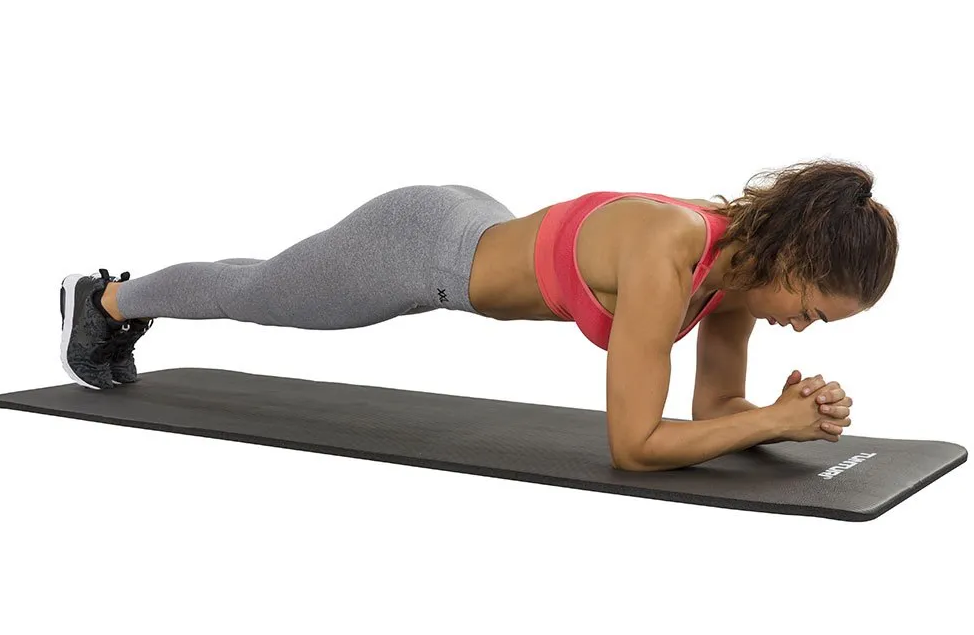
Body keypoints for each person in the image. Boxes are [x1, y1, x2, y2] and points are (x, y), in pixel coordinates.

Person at [59, 160, 898, 471]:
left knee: (266, 281)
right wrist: (771, 422)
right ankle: (104, 300)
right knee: (260, 293)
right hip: (418, 248)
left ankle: (113, 301)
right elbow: (636, 445)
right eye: (811, 311)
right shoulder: (669, 252)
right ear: (790, 257)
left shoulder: (737, 281)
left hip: (473, 225)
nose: (801, 328)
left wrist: (780, 415)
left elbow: (713, 413)